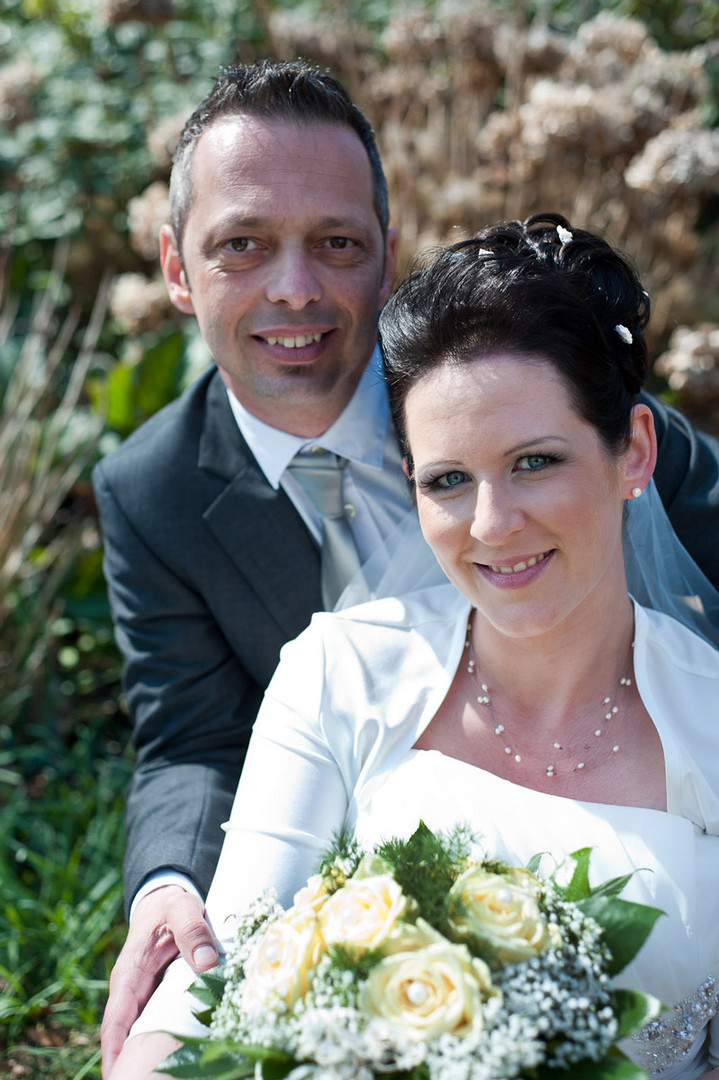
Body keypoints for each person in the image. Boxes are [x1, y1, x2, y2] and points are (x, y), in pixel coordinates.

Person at [94, 59, 719, 1071]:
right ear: (176, 266)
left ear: (385, 257)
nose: (293, 290)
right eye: (241, 246)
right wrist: (173, 890)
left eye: (334, 244)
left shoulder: (521, 367)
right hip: (347, 924)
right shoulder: (153, 491)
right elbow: (193, 740)